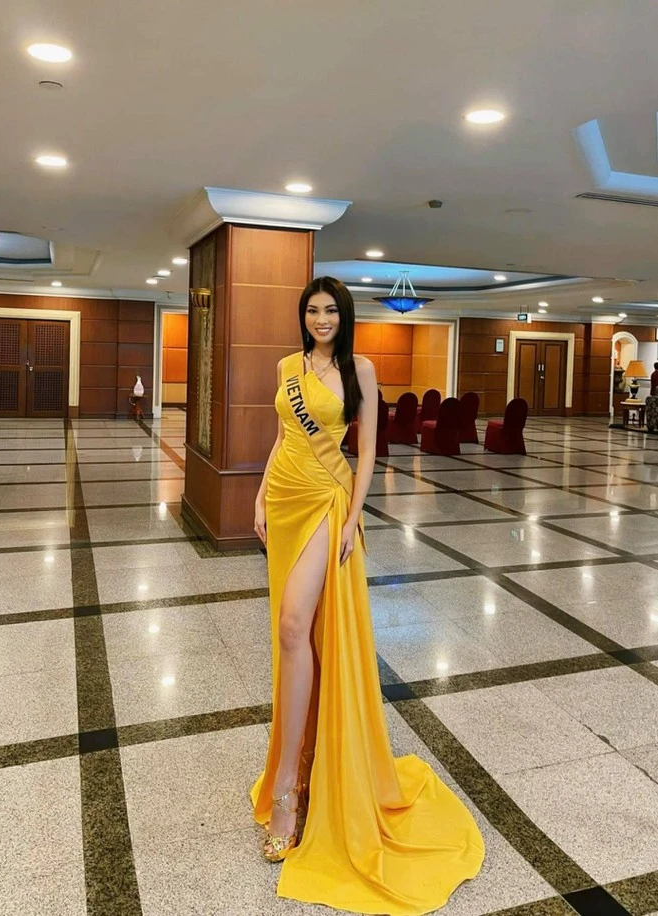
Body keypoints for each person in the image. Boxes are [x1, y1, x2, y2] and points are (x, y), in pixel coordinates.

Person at [251, 276, 484, 915]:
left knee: (294, 625)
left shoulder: (361, 369)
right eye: (312, 310)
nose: (321, 318)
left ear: (344, 315)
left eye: (330, 310)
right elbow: (282, 438)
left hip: (328, 505)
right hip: (285, 499)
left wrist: (354, 518)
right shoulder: (287, 366)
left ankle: (290, 789)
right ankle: (298, 765)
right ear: (303, 316)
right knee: (294, 633)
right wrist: (260, 495)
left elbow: (370, 451)